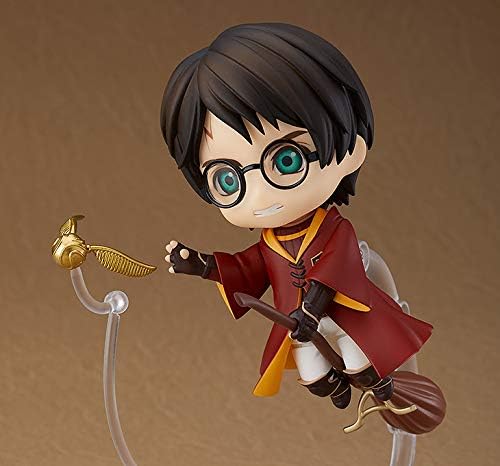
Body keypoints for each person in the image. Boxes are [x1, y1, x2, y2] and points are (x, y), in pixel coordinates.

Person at [160, 23, 433, 409]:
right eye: (227, 179)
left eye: (287, 160)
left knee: (362, 364)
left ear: (350, 152)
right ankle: (336, 387)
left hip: (351, 319)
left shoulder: (334, 231)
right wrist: (204, 266)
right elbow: (247, 268)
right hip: (301, 329)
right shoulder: (269, 243)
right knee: (314, 377)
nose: (259, 194)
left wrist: (313, 307)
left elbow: (335, 270)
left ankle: (382, 389)